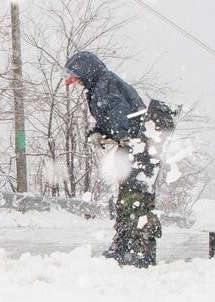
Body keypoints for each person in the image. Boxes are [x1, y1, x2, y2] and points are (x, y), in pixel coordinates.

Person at [64, 51, 173, 267]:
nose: (74, 81)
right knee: (127, 200)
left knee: (136, 201)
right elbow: (109, 118)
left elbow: (118, 115)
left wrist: (118, 135)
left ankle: (140, 251)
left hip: (138, 150)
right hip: (135, 150)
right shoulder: (99, 85)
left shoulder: (105, 84)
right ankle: (124, 246)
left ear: (86, 70)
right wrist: (98, 132)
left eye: (76, 75)